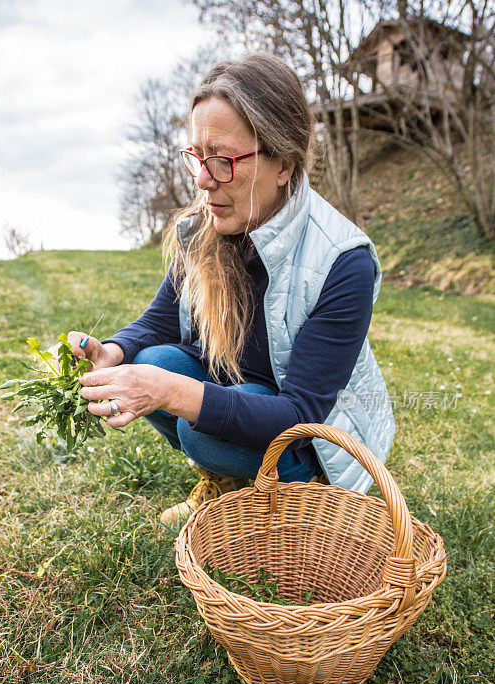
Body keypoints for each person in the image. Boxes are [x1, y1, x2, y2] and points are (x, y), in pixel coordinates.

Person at [65, 53, 395, 524]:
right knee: (152, 359)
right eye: (197, 158)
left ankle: (298, 495)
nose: (203, 180)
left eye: (222, 160)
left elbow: (298, 413)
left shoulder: (343, 261)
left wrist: (171, 392)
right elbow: (159, 322)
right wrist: (114, 351)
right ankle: (227, 481)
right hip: (246, 395)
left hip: (310, 441)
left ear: (282, 163)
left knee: (194, 422)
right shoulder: (210, 224)